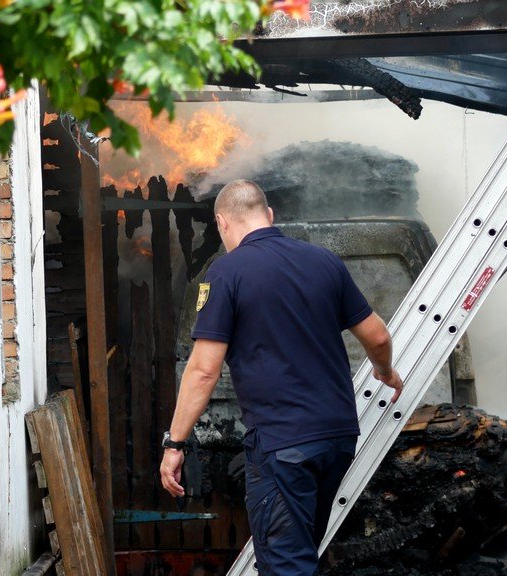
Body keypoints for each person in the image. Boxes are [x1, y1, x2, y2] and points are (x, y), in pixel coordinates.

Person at [159, 179, 403, 575]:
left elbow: (203, 371)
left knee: (286, 566)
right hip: (338, 439)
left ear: (222, 222)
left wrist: (175, 443)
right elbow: (377, 336)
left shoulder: (225, 273)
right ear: (269, 215)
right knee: (301, 555)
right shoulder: (324, 261)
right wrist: (385, 371)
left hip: (284, 444)